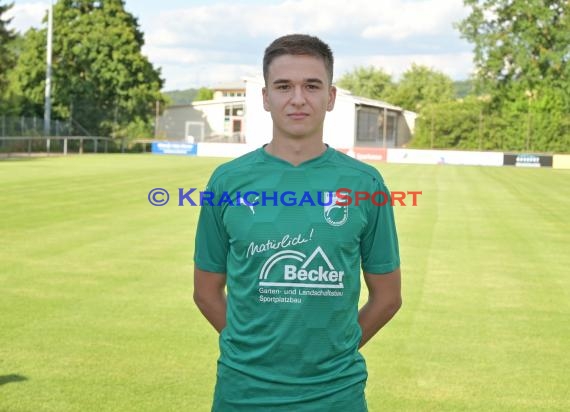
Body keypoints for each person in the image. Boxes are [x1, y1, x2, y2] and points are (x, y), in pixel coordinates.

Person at [193, 33, 402, 411]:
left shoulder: (365, 185)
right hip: (243, 394)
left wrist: (334, 352)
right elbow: (205, 292)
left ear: (331, 97)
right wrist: (249, 351)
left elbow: (388, 297)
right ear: (266, 98)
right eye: (284, 86)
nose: (298, 98)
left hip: (335, 395)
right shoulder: (226, 182)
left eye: (312, 86)